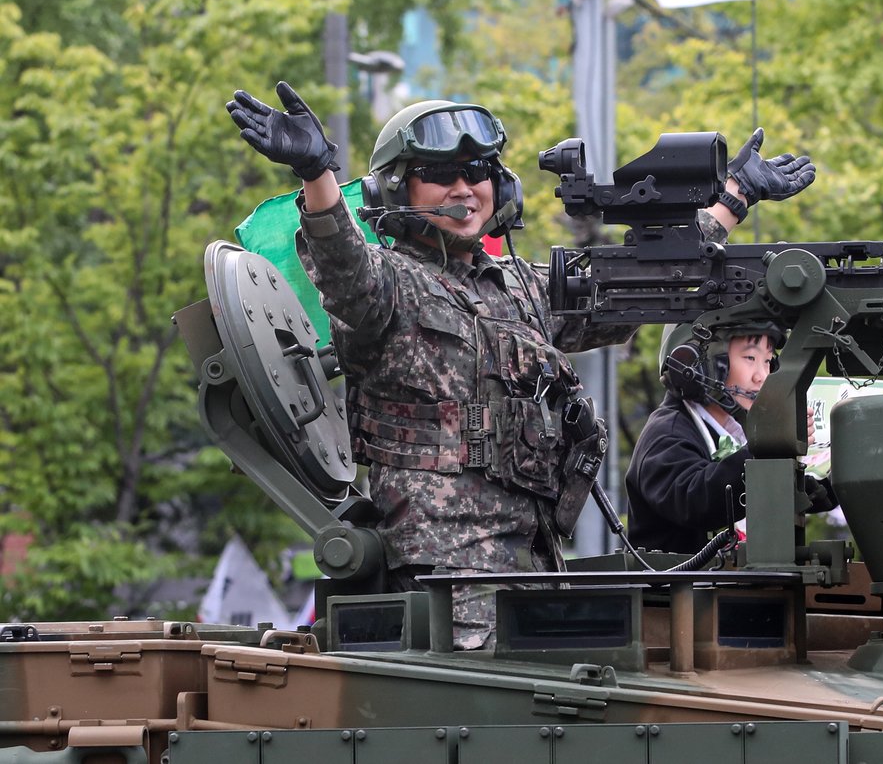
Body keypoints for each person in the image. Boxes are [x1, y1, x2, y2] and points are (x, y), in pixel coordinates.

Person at [225, 81, 815, 647]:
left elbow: (640, 285)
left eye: (478, 172)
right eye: (438, 175)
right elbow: (343, 265)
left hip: (534, 562)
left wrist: (733, 198)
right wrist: (318, 176)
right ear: (397, 191)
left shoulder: (519, 288)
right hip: (448, 579)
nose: (464, 188)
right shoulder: (390, 285)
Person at [625, 320, 832, 553]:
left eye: (768, 361)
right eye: (750, 358)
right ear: (701, 363)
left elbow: (800, 491)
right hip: (680, 588)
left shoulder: (736, 431)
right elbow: (696, 501)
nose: (762, 376)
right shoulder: (666, 433)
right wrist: (770, 444)